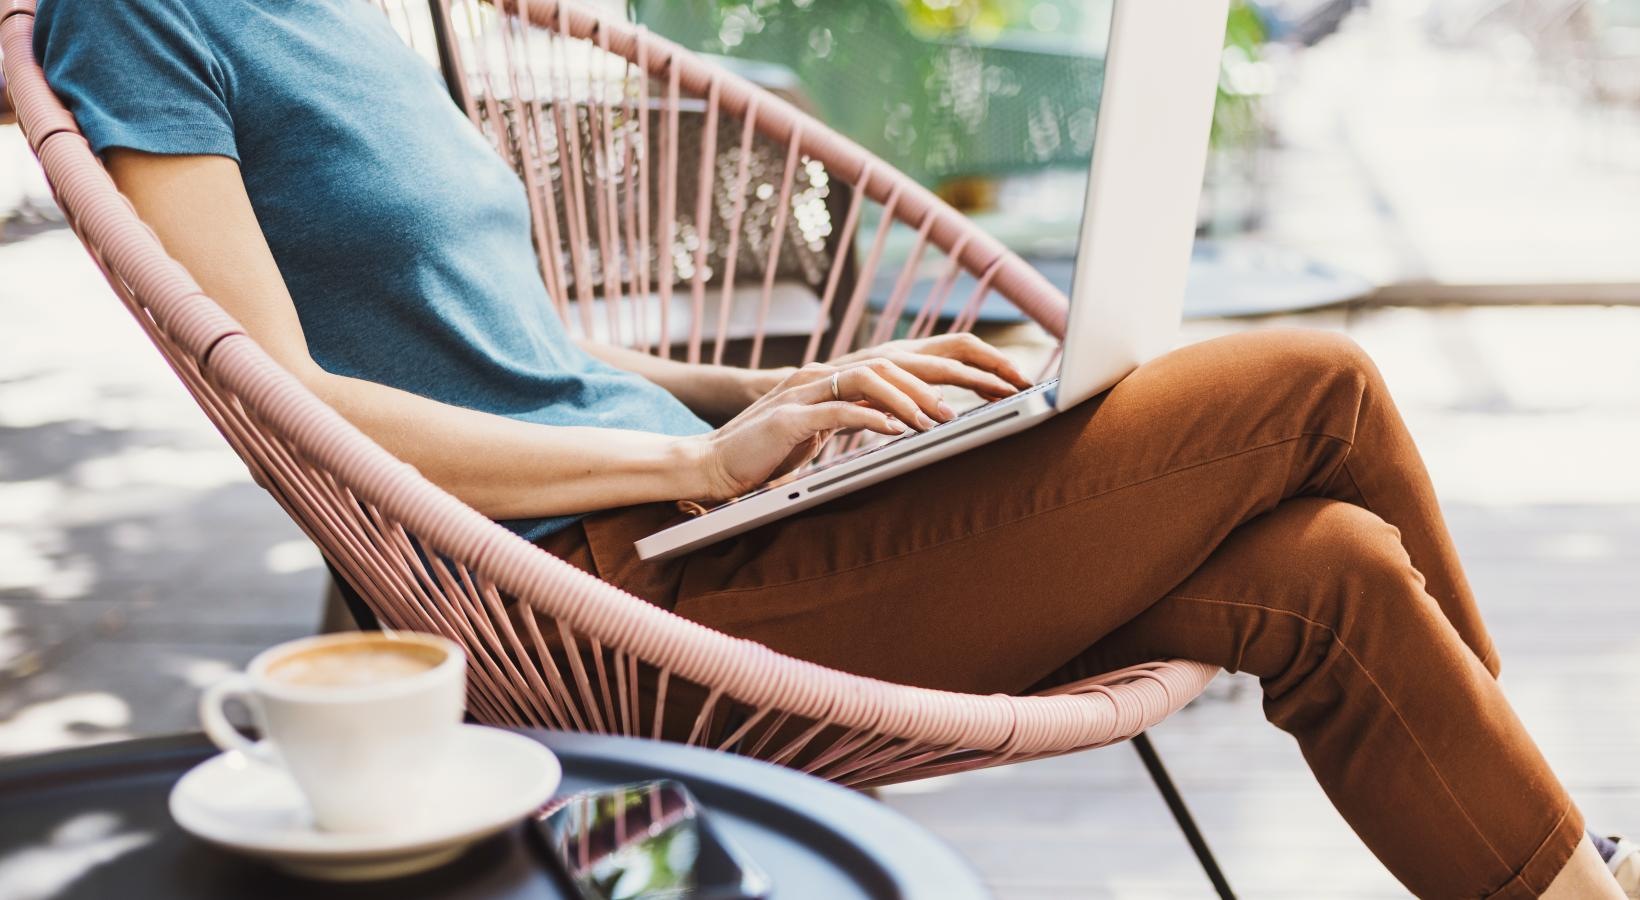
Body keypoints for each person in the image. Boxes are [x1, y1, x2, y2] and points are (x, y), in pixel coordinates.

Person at [34, 0, 1636, 896]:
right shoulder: (144, 18)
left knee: (1332, 575)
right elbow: (298, 408)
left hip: (713, 525)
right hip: (631, 598)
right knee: (1317, 391)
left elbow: (527, 362)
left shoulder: (336, 14)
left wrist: (771, 407)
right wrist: (691, 476)